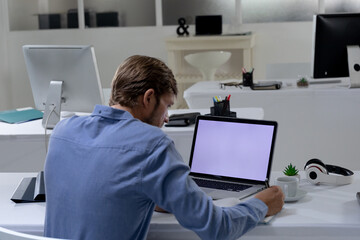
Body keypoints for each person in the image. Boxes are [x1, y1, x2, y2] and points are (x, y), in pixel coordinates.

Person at [44, 55, 284, 240]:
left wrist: (154, 192)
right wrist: (261, 205)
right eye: (167, 106)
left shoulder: (63, 131)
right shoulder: (152, 144)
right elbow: (216, 228)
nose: (167, 117)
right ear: (148, 98)